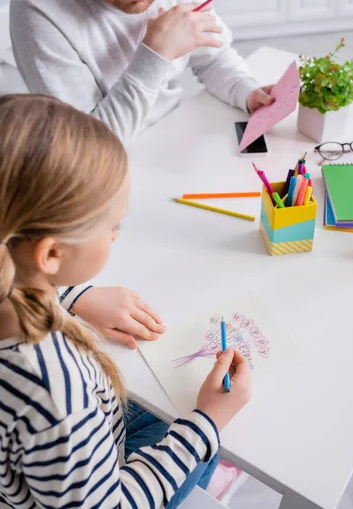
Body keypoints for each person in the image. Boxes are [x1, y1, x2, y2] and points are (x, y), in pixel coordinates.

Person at [10, 0, 275, 357]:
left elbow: (215, 57)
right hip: (103, 189)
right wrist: (154, 52)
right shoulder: (39, 5)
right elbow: (91, 152)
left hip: (172, 161)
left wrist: (247, 91)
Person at [0, 93, 252, 509]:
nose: (117, 233)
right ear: (50, 254)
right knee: (206, 434)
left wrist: (74, 294)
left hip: (67, 456)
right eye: (112, 224)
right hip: (100, 483)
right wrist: (207, 423)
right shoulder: (56, 394)